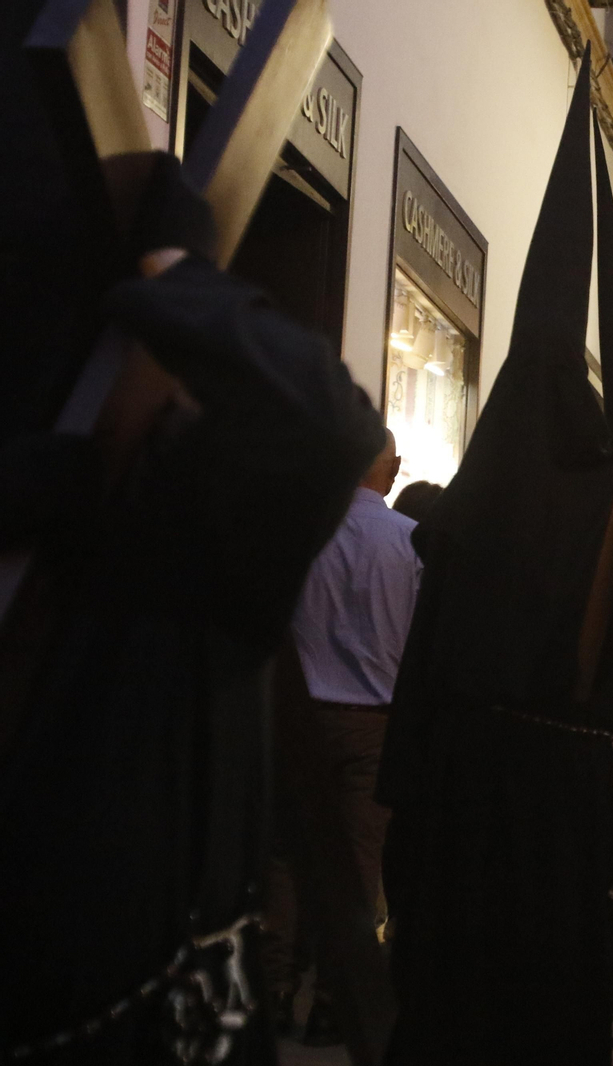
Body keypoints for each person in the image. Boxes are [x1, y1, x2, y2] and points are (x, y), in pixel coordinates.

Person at [0, 155, 384, 1064]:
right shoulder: (155, 559)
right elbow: (326, 422)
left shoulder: (162, 550)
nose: (183, 399)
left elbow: (324, 426)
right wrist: (178, 266)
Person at [270, 430, 420, 1048]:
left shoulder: (307, 536)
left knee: (285, 858)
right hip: (374, 725)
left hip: (301, 718)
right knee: (359, 864)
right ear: (387, 468)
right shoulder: (408, 541)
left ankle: (274, 987)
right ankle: (334, 1001)